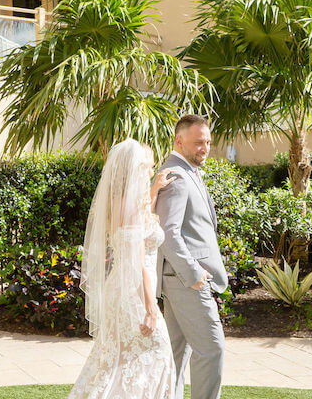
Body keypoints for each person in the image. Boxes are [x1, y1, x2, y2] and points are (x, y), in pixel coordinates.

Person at [68, 138, 176, 399]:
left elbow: (137, 223)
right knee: (157, 354)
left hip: (121, 290)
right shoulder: (130, 206)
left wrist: (153, 191)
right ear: (135, 170)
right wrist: (151, 308)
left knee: (117, 360)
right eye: (147, 168)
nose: (152, 172)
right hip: (134, 291)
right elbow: (137, 262)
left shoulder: (123, 202)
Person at [155, 115, 229, 399]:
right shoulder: (176, 175)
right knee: (211, 349)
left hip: (180, 280)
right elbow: (167, 231)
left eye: (208, 142)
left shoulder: (187, 171)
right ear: (179, 141)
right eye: (198, 142)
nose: (205, 147)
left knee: (176, 353)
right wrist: (194, 273)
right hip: (186, 281)